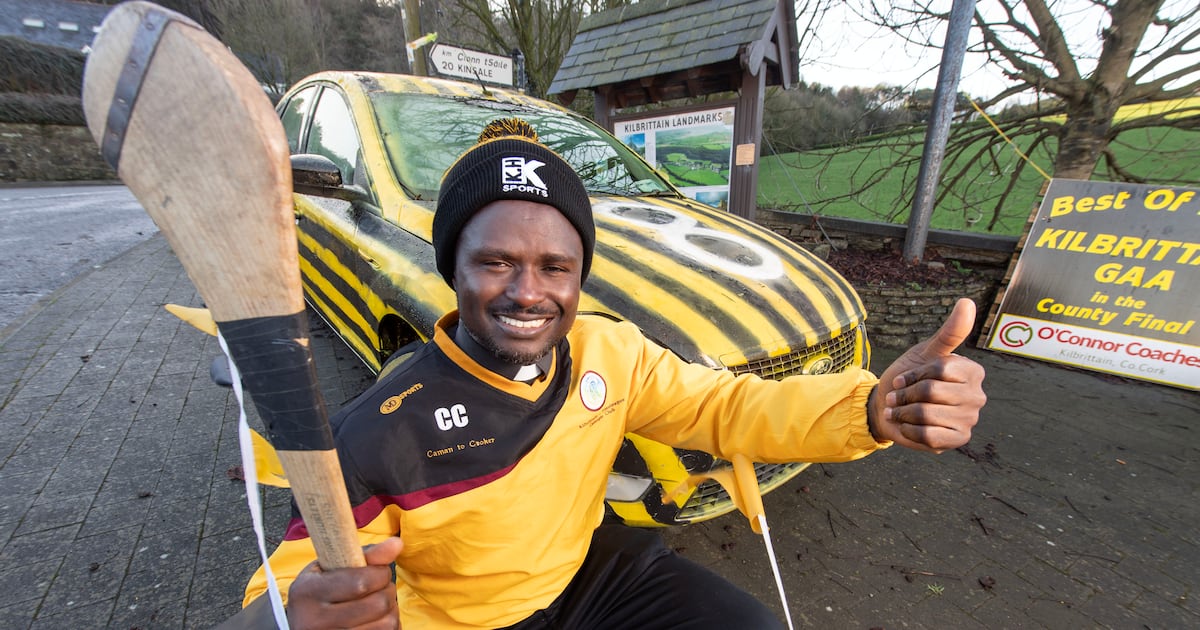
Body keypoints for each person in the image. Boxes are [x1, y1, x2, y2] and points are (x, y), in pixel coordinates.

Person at [242, 119, 986, 629]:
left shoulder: (609, 351)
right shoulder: (380, 428)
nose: (528, 292)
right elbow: (288, 580)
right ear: (453, 270)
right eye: (496, 261)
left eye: (555, 267)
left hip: (589, 576)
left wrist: (872, 410)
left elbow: (729, 409)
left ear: (579, 277)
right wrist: (293, 615)